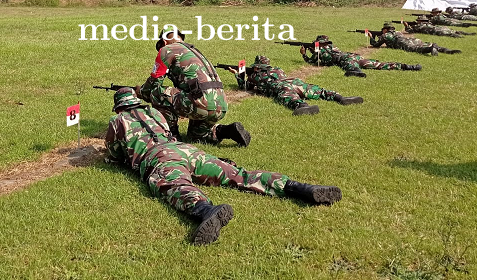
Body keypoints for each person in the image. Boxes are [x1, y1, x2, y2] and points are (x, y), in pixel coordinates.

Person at [104, 87, 342, 245]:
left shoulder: (117, 121)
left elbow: (114, 154)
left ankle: (206, 210)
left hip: (159, 158)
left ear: (118, 107)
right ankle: (298, 187)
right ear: (136, 101)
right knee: (239, 175)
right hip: (186, 150)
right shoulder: (155, 112)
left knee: (176, 185)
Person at [137, 29, 250, 146]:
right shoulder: (194, 51)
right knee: (196, 137)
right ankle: (225, 131)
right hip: (221, 105)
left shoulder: (167, 49)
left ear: (164, 42)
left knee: (157, 93)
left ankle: (171, 136)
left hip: (201, 102)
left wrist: (139, 91)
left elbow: (154, 84)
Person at [217, 55, 363, 115]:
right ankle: (340, 98)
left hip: (281, 86)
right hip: (294, 81)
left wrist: (238, 74)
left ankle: (302, 106)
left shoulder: (256, 76)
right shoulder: (278, 69)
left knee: (288, 95)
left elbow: (245, 86)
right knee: (317, 90)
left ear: (257, 67)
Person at [299, 35, 422, 77]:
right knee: (380, 65)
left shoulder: (321, 52)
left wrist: (304, 54)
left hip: (346, 59)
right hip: (355, 56)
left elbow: (312, 62)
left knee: (352, 68)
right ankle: (408, 66)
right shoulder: (333, 47)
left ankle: (357, 72)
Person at [368, 23, 461, 56]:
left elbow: (376, 45)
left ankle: (431, 48)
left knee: (416, 49)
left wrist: (371, 37)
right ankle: (447, 50)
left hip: (403, 43)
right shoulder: (398, 32)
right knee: (423, 44)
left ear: (385, 29)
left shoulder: (385, 35)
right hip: (410, 40)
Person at [402, 17, 476, 38]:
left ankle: (462, 37)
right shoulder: (428, 23)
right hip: (442, 28)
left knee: (451, 34)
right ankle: (467, 34)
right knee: (454, 31)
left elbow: (410, 31)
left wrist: (406, 25)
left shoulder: (419, 26)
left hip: (437, 31)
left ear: (420, 21)